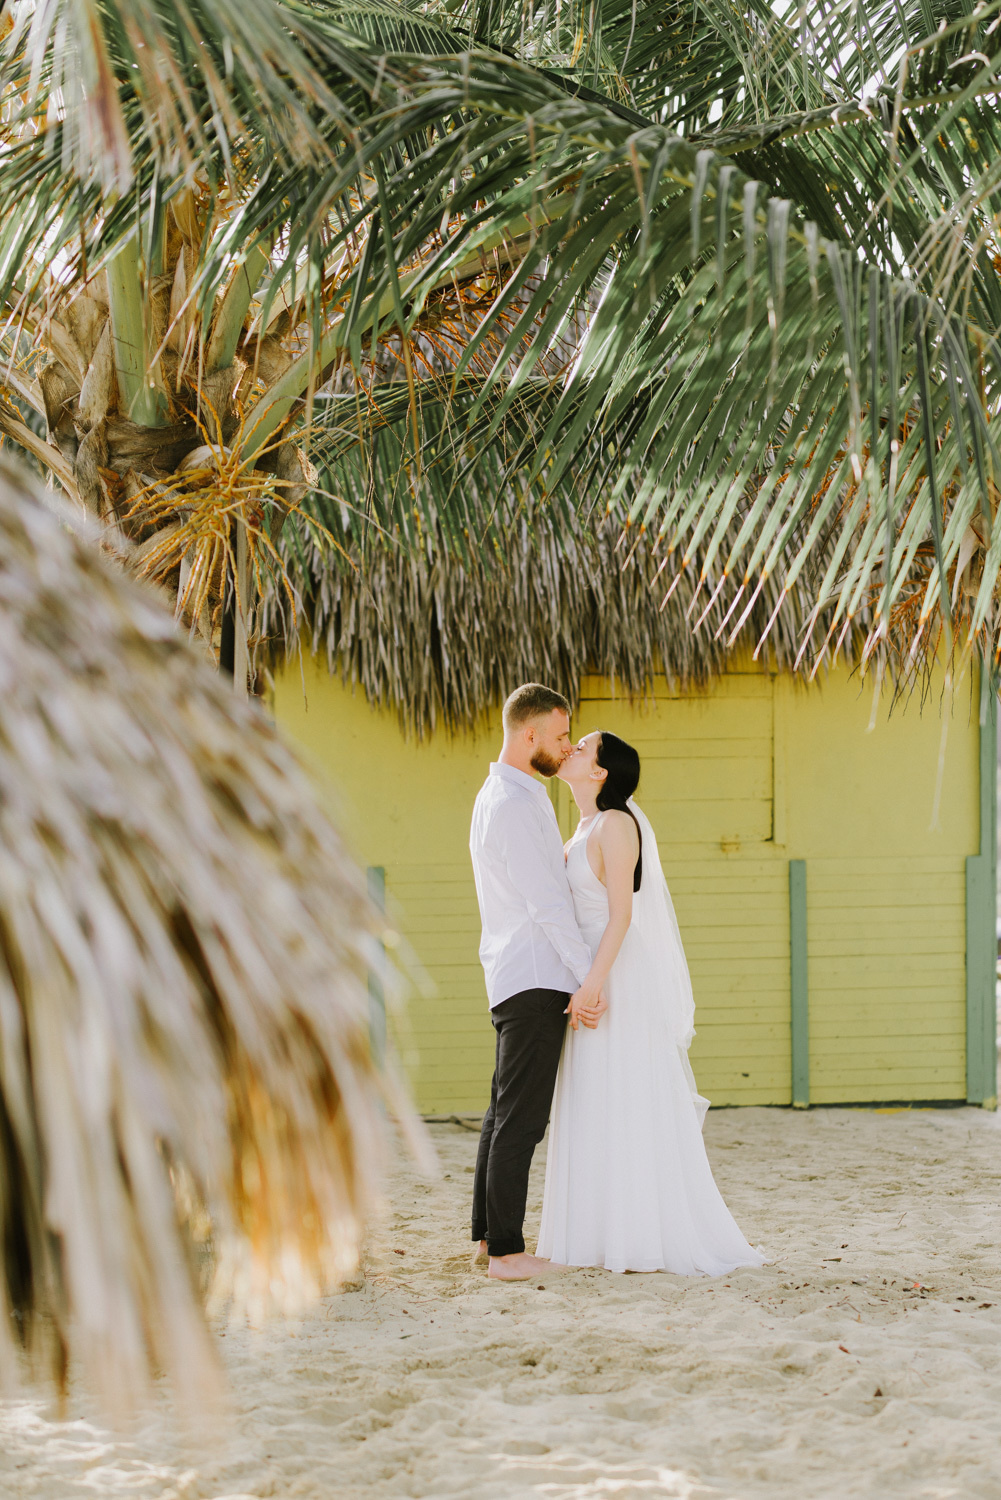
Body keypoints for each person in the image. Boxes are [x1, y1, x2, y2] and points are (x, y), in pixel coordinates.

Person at [537, 729, 764, 1275]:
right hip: (588, 972)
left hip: (616, 974)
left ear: (601, 773)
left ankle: (638, 1236)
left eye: (583, 747)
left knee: (625, 1093)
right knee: (591, 1095)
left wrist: (593, 983)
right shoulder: (582, 828)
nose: (570, 749)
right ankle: (594, 1234)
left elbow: (621, 914)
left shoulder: (617, 825)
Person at [469, 683, 600, 1281]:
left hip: (514, 972)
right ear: (529, 735)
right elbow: (548, 905)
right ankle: (507, 1254)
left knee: (502, 1113)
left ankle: (486, 1239)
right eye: (560, 735)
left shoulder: (506, 794)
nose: (566, 745)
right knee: (521, 1119)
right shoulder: (515, 804)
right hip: (535, 976)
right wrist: (587, 978)